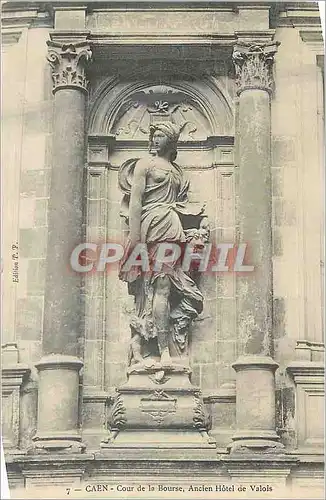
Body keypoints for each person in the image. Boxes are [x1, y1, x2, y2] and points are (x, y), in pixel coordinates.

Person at [118, 121, 209, 367]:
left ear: (170, 140)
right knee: (155, 288)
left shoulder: (177, 172)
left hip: (172, 227)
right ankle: (162, 350)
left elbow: (181, 205)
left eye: (160, 135)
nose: (155, 139)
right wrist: (135, 241)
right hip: (151, 226)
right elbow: (135, 203)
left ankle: (163, 348)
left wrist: (201, 222)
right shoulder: (144, 165)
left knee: (165, 288)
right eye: (154, 135)